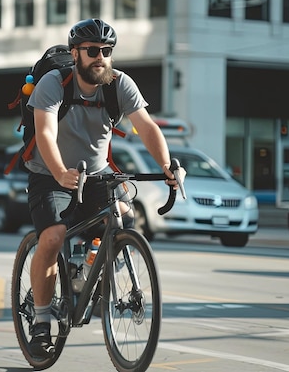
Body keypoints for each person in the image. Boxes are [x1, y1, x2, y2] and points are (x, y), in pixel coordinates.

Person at [25, 18, 185, 357]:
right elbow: (45, 133)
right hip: (49, 173)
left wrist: (167, 166)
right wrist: (59, 171)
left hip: (97, 175)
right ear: (75, 53)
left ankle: (85, 271)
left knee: (123, 218)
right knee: (52, 237)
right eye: (93, 51)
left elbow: (146, 126)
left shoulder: (118, 84)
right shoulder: (54, 83)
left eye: (107, 51)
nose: (101, 57)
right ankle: (41, 322)